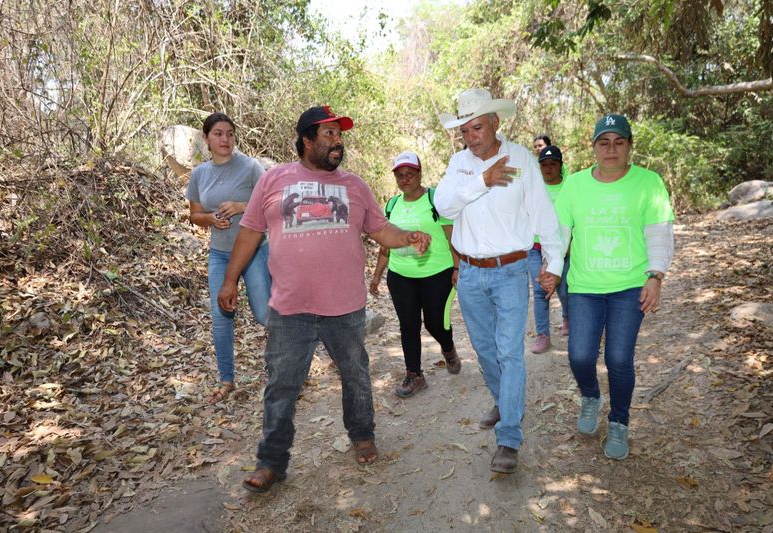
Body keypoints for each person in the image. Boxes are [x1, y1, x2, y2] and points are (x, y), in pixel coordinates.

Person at [217, 105, 431, 493]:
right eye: (329, 134)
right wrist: (230, 280)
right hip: (290, 308)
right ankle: (271, 462)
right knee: (282, 385)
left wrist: (407, 238)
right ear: (306, 139)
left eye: (340, 135)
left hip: (345, 307)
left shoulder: (354, 185)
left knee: (355, 375)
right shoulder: (273, 180)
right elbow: (249, 232)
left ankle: (362, 435)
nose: (338, 142)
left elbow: (380, 229)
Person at [435, 89, 564, 474]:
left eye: (477, 127)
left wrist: (554, 263)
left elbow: (543, 214)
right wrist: (483, 181)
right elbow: (443, 206)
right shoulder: (458, 164)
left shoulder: (522, 158)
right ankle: (503, 399)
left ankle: (509, 436)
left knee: (509, 352)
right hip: (470, 273)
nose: (470, 136)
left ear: (495, 123)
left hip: (510, 270)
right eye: (464, 130)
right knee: (485, 350)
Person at [554, 114, 674, 460]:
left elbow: (659, 232)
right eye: (603, 142)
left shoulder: (648, 183)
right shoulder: (574, 185)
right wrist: (551, 269)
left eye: (618, 142)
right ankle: (591, 396)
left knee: (619, 358)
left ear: (629, 147)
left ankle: (619, 422)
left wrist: (656, 275)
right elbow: (560, 233)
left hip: (629, 286)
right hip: (585, 287)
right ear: (593, 147)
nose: (611, 149)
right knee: (579, 355)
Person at [186, 112, 272, 404]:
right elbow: (194, 215)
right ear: (207, 139)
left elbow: (271, 202)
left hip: (255, 250)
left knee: (264, 314)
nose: (225, 139)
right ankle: (226, 380)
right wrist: (210, 219)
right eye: (219, 134)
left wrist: (241, 205)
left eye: (230, 134)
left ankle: (293, 360)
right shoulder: (199, 174)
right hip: (220, 254)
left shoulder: (250, 167)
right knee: (221, 317)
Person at [369, 151, 461, 398]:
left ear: (419, 173)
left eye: (410, 173)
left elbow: (452, 236)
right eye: (400, 175)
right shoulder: (392, 205)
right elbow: (385, 244)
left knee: (434, 322)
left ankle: (447, 347)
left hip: (437, 273)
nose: (405, 178)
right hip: (401, 275)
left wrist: (456, 267)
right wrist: (377, 275)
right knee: (408, 324)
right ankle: (414, 374)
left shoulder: (435, 200)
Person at [528, 146, 571, 354]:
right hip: (535, 245)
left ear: (561, 165)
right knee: (539, 289)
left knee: (563, 287)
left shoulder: (570, 186)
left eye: (553, 164)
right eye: (544, 165)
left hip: (565, 246)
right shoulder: (534, 187)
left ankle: (567, 317)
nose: (548, 168)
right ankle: (543, 335)